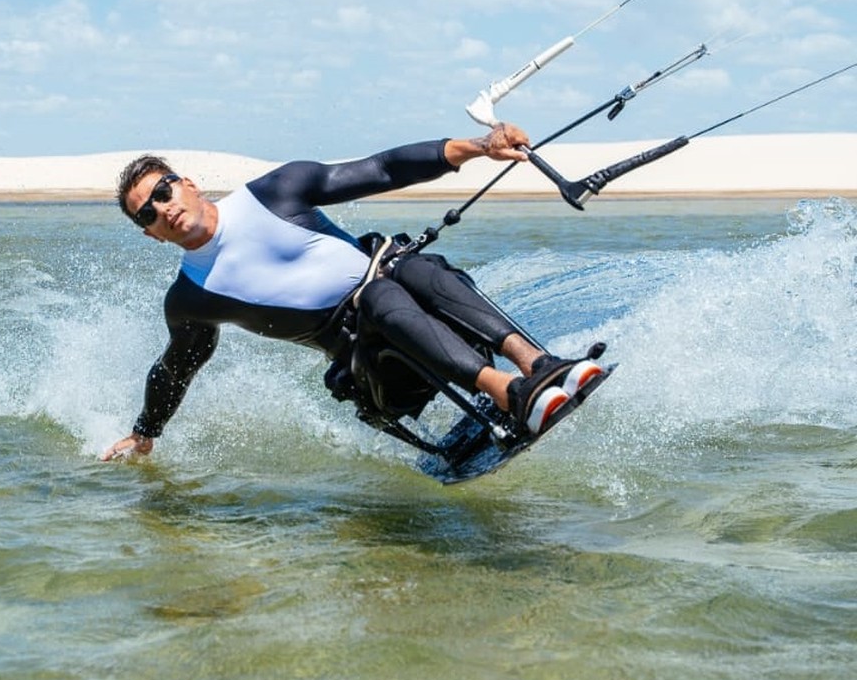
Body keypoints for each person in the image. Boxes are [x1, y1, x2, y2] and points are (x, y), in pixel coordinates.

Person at [101, 123, 602, 462]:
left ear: (186, 183)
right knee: (379, 299)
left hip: (440, 323)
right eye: (147, 213)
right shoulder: (193, 297)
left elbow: (382, 168)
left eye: (163, 192)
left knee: (412, 267)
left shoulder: (275, 191)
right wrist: (145, 434)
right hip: (382, 377)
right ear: (151, 234)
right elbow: (174, 369)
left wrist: (478, 147)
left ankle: (538, 366)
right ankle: (510, 393)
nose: (162, 209)